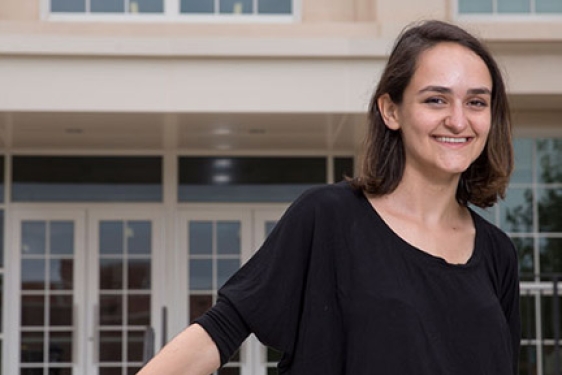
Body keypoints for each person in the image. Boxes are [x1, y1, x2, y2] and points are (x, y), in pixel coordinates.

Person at [137, 19, 520, 375]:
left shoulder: (497, 254)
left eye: (476, 102)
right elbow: (218, 332)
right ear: (391, 110)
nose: (458, 120)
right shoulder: (329, 219)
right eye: (435, 100)